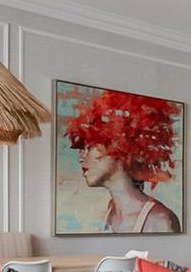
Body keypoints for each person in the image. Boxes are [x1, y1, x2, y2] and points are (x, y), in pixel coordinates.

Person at [62, 88, 182, 233]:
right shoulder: (111, 211)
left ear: (120, 146)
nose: (81, 158)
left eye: (90, 147)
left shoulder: (160, 220)